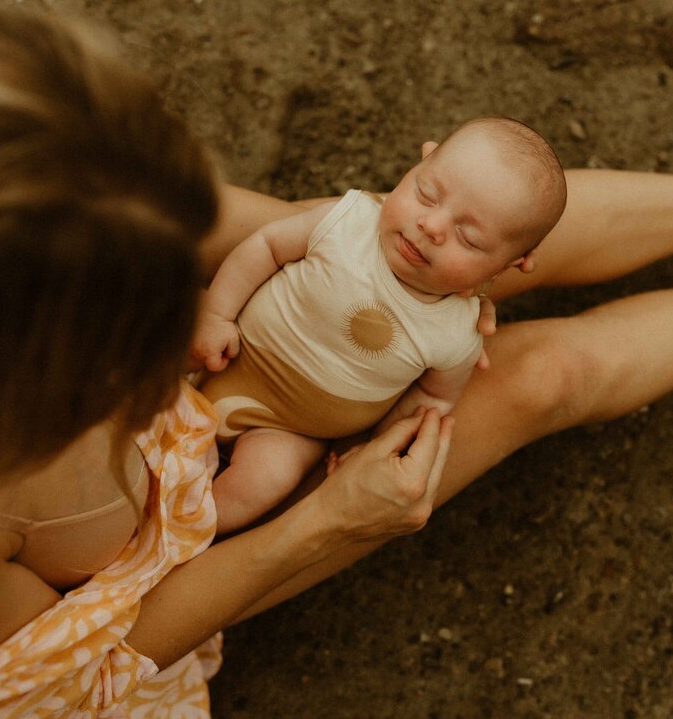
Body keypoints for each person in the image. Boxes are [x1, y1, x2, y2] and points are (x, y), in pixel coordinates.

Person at [0, 4, 673, 718]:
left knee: (440, 252)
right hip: (148, 573)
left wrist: (325, 259)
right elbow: (118, 644)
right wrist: (327, 524)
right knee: (536, 381)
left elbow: (274, 234)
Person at [192, 117, 566, 531]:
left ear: (509, 266)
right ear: (421, 161)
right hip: (228, 352)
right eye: (427, 194)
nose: (432, 226)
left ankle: (182, 531)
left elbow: (432, 399)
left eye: (469, 238)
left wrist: (373, 445)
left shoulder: (457, 334)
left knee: (267, 480)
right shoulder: (346, 223)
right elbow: (266, 247)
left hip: (289, 430)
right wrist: (215, 315)